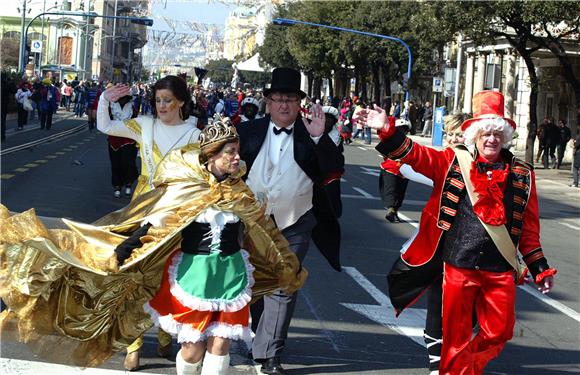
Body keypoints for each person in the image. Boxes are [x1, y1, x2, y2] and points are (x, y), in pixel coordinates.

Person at [0, 119, 306, 374]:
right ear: (211, 157)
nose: (237, 157)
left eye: (237, 151)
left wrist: (284, 263)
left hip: (232, 275)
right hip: (194, 276)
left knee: (221, 342)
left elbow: (264, 231)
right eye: (229, 152)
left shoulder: (242, 192)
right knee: (193, 346)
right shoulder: (186, 190)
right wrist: (123, 250)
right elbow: (155, 223)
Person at [359, 90, 556, 374]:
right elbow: (418, 155)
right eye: (486, 133)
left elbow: (528, 227)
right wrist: (387, 129)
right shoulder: (453, 161)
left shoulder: (522, 174)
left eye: (497, 134)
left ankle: (463, 368)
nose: (492, 139)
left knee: (499, 332)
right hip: (458, 267)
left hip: (499, 269)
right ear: (475, 134)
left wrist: (539, 267)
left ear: (505, 137)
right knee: (454, 339)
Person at [237, 67, 342, 374]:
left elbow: (334, 169)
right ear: (268, 101)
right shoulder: (248, 131)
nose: (284, 105)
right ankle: (261, 333)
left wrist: (321, 137)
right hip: (249, 223)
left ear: (300, 103)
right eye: (278, 98)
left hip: (295, 222)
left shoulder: (313, 134)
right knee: (252, 282)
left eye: (291, 99)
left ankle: (270, 355)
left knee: (284, 286)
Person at [98, 75, 202, 370]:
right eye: (157, 100)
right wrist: (106, 99)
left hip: (175, 211)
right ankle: (135, 344)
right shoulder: (144, 125)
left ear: (181, 101)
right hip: (142, 209)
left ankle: (166, 333)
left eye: (167, 100)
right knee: (136, 272)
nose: (161, 106)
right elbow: (105, 126)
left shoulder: (195, 136)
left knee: (168, 274)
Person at [105, 89, 139, 198]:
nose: (122, 100)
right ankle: (117, 186)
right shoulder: (112, 107)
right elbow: (105, 121)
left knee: (128, 163)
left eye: (124, 98)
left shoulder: (132, 107)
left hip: (128, 139)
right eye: (120, 97)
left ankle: (128, 184)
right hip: (114, 138)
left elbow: (136, 122)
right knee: (115, 163)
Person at [379, 118, 411, 223]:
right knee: (391, 189)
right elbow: (383, 152)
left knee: (400, 192)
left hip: (404, 171)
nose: (402, 131)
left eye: (404, 129)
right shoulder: (388, 140)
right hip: (390, 169)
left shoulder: (410, 143)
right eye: (400, 129)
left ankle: (394, 211)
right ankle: (391, 210)